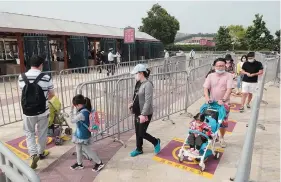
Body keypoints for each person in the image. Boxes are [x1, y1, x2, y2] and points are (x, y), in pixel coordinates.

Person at [18, 55, 55, 169]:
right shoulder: (46, 77)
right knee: (42, 132)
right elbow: (51, 94)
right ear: (40, 65)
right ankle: (41, 153)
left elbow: (22, 93)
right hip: (43, 111)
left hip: (27, 112)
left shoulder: (21, 77)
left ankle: (33, 154)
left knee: (29, 132)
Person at [128, 64, 161, 157]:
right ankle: (139, 149)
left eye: (136, 73)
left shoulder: (148, 85)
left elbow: (147, 101)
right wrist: (132, 104)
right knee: (137, 131)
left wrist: (143, 114)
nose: (135, 75)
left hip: (145, 113)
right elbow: (136, 96)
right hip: (137, 111)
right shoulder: (138, 83)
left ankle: (156, 141)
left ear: (141, 73)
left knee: (141, 132)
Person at [203, 58, 233, 148]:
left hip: (224, 103)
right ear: (214, 66)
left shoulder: (229, 76)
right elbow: (205, 88)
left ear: (225, 66)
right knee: (211, 121)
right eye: (218, 66)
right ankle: (213, 136)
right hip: (212, 103)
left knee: (223, 122)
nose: (220, 67)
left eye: (222, 65)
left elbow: (229, 89)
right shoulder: (210, 76)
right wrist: (207, 98)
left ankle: (222, 137)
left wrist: (223, 100)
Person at [70, 94, 105, 172]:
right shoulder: (87, 108)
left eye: (75, 106)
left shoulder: (82, 113)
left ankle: (99, 163)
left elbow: (72, 120)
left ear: (78, 105)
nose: (75, 107)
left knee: (87, 149)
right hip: (81, 133)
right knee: (78, 148)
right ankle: (79, 164)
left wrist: (71, 110)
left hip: (83, 135)